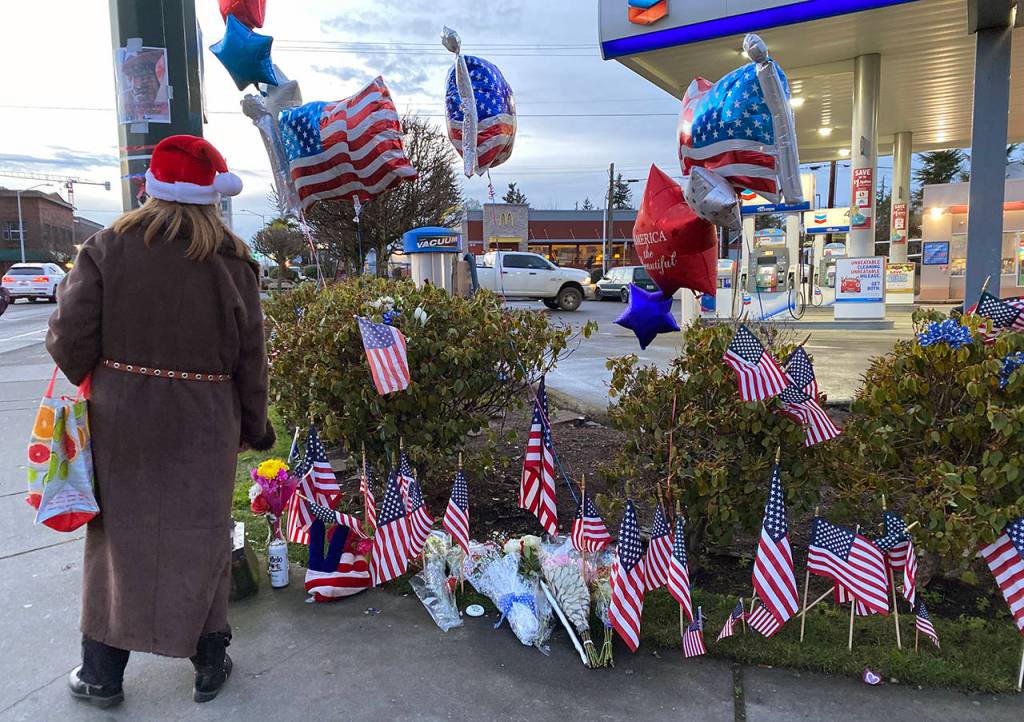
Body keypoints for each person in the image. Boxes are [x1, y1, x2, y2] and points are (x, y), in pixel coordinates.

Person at [46, 135, 274, 708]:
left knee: (116, 538)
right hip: (205, 419)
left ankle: (101, 673)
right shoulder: (232, 264)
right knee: (201, 539)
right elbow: (252, 361)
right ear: (210, 197)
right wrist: (254, 426)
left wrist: (100, 373)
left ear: (150, 188)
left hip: (121, 416)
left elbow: (69, 340)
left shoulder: (106, 247)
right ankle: (207, 661)